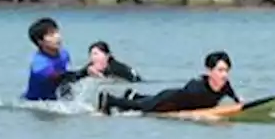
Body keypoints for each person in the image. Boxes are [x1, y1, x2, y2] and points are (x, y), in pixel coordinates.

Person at [97, 51, 238, 115]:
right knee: (141, 108)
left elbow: (236, 100)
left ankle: (133, 95)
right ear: (209, 71)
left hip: (173, 100)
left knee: (144, 101)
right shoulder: (196, 87)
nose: (224, 75)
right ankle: (109, 99)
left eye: (226, 70)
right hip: (168, 101)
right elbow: (186, 103)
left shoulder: (225, 85)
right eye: (220, 70)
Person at [24, 17, 72, 101]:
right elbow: (58, 78)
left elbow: (65, 84)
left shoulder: (64, 54)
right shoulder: (39, 63)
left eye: (57, 32)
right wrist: (84, 72)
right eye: (51, 35)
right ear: (40, 41)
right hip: (36, 102)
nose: (57, 37)